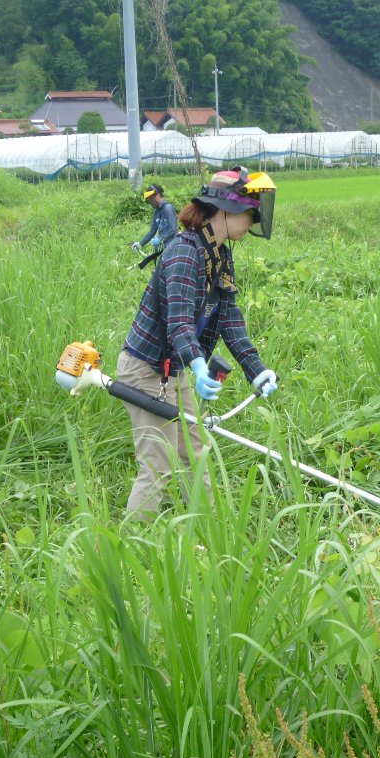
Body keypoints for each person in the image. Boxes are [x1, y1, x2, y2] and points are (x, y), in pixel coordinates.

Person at [118, 167, 279, 516]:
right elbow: (178, 322)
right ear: (225, 211)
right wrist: (198, 363)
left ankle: (207, 531)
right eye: (249, 213)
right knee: (158, 468)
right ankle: (128, 545)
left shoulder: (220, 254)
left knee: (196, 455)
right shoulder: (183, 253)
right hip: (145, 372)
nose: (251, 221)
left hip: (173, 371)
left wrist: (256, 369)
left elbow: (230, 318)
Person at [131, 183, 177, 259]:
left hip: (171, 248)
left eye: (151, 199)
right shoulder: (156, 211)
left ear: (158, 196)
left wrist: (160, 239)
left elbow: (173, 229)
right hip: (161, 248)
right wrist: (140, 243)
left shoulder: (168, 208)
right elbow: (152, 231)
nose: (150, 202)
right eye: (149, 200)